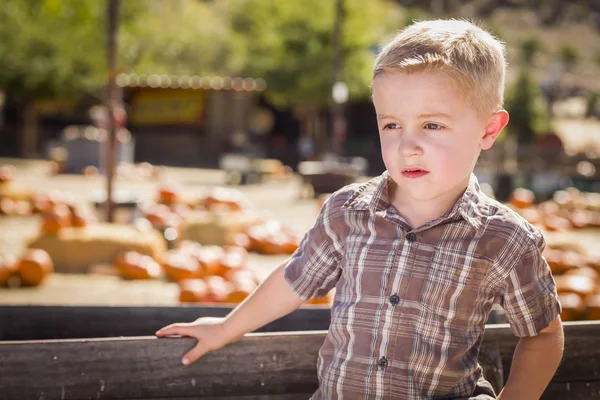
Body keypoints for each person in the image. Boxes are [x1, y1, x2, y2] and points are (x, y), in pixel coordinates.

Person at [156, 19, 563, 399]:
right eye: (391, 125)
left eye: (432, 125)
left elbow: (542, 335)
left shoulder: (506, 241)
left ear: (489, 129)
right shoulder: (347, 212)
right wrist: (227, 327)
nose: (407, 146)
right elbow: (294, 280)